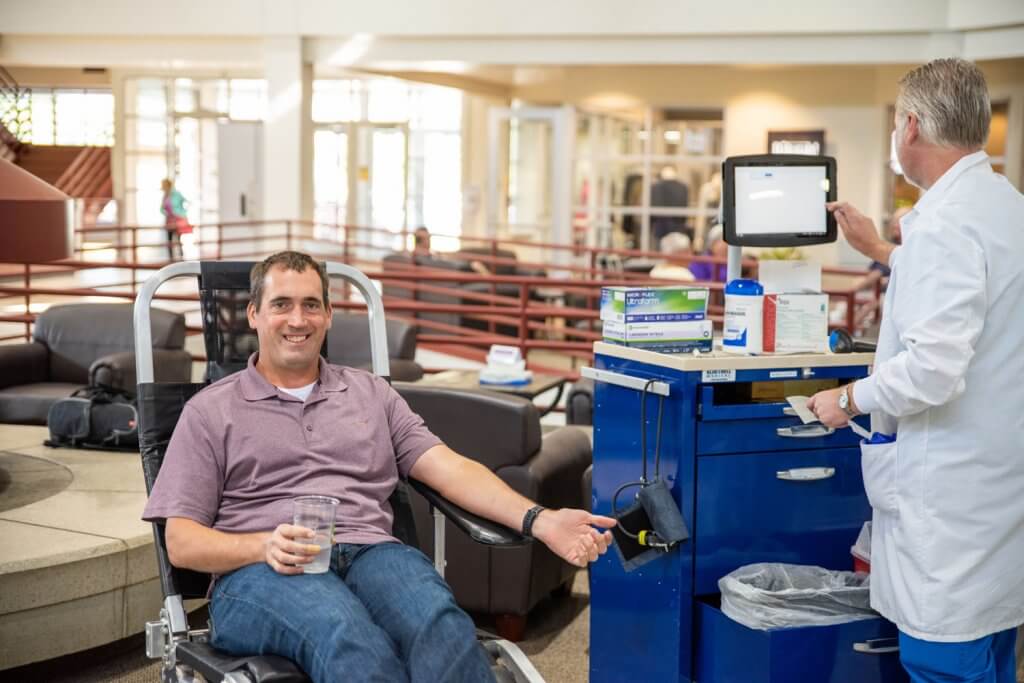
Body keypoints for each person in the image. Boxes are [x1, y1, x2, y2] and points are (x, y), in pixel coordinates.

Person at [142, 250, 616, 683]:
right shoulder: (210, 410)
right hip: (261, 571)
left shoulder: (370, 393)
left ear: (329, 315)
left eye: (311, 305)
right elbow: (181, 542)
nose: (297, 319)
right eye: (281, 304)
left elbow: (449, 468)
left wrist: (542, 519)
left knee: (442, 626)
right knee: (351, 638)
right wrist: (262, 545)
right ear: (254, 315)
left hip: (372, 553)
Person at [807, 58, 1024, 683]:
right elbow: (973, 298)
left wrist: (846, 399)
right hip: (996, 487)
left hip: (953, 497)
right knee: (991, 650)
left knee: (944, 661)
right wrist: (881, 252)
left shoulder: (944, 226)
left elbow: (931, 370)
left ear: (909, 127)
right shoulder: (1001, 206)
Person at [160, 178, 191, 260]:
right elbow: (161, 209)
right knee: (169, 241)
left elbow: (187, 202)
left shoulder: (176, 194)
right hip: (169, 221)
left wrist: (182, 212)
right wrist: (166, 213)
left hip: (177, 220)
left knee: (178, 240)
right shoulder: (165, 196)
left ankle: (181, 258)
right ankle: (171, 259)